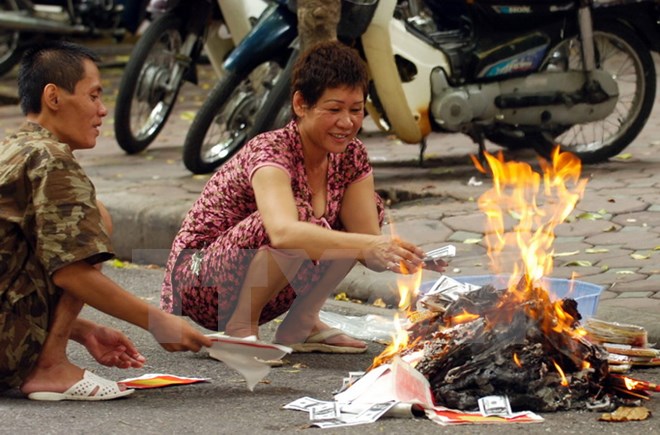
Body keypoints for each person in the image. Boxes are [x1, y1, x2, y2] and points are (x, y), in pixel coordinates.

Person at [161, 41, 444, 353]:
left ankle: (303, 322)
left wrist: (403, 257)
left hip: (274, 287)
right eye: (334, 109)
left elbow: (365, 245)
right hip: (201, 284)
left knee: (368, 212)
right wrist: (370, 243)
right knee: (295, 222)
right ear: (300, 104)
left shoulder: (351, 155)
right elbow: (282, 233)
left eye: (356, 110)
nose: (347, 122)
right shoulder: (271, 150)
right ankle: (239, 331)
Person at [0, 41, 212, 401]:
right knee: (94, 222)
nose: (102, 111)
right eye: (94, 96)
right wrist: (159, 322)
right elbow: (70, 271)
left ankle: (52, 353)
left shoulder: (15, 147)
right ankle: (51, 366)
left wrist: (81, 330)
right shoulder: (51, 160)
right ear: (53, 97)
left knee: (95, 213)